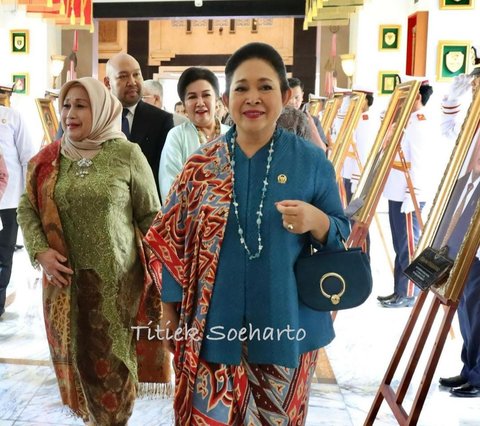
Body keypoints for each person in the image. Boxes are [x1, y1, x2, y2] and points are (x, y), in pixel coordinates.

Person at [144, 42, 350, 425]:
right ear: (227, 98)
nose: (252, 98)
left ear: (286, 96)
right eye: (241, 88)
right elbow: (170, 238)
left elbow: (341, 231)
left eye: (265, 87)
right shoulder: (200, 167)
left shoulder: (311, 161)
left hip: (287, 322)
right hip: (211, 324)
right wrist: (168, 308)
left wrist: (316, 221)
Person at [17, 77, 164, 423]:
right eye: (66, 105)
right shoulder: (49, 160)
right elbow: (27, 207)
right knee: (78, 369)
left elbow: (151, 218)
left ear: (100, 109)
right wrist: (40, 251)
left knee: (115, 376)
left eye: (81, 105)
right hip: (65, 289)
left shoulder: (127, 154)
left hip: (117, 292)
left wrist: (168, 280)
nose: (70, 113)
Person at [437, 66, 480, 398]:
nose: (476, 86)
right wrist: (453, 96)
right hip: (464, 225)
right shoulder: (472, 124)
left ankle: (478, 375)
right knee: (465, 304)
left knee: (478, 306)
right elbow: (447, 129)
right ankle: (469, 367)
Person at [379, 81, 434, 308]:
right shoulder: (406, 121)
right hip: (397, 191)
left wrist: (413, 196)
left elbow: (420, 162)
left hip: (408, 193)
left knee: (408, 246)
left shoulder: (420, 123)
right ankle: (398, 290)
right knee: (399, 243)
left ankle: (409, 293)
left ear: (417, 98)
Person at [104, 53, 174, 198]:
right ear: (107, 82)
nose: (132, 82)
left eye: (136, 74)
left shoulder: (161, 121)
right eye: (123, 76)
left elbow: (164, 175)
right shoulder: (97, 118)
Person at [158, 67, 229, 201]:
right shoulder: (177, 136)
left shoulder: (233, 134)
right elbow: (170, 188)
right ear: (184, 104)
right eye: (192, 97)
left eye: (206, 95)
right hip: (190, 218)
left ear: (217, 100)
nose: (200, 103)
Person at [0, 105, 35, 318]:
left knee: (3, 256)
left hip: (9, 201)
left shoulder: (11, 116)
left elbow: (27, 158)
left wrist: (28, 198)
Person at [288, 77, 328, 150]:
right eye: (289, 97)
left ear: (302, 96)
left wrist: (312, 129)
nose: (292, 102)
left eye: (296, 97)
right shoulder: (274, 120)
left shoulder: (313, 121)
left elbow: (322, 150)